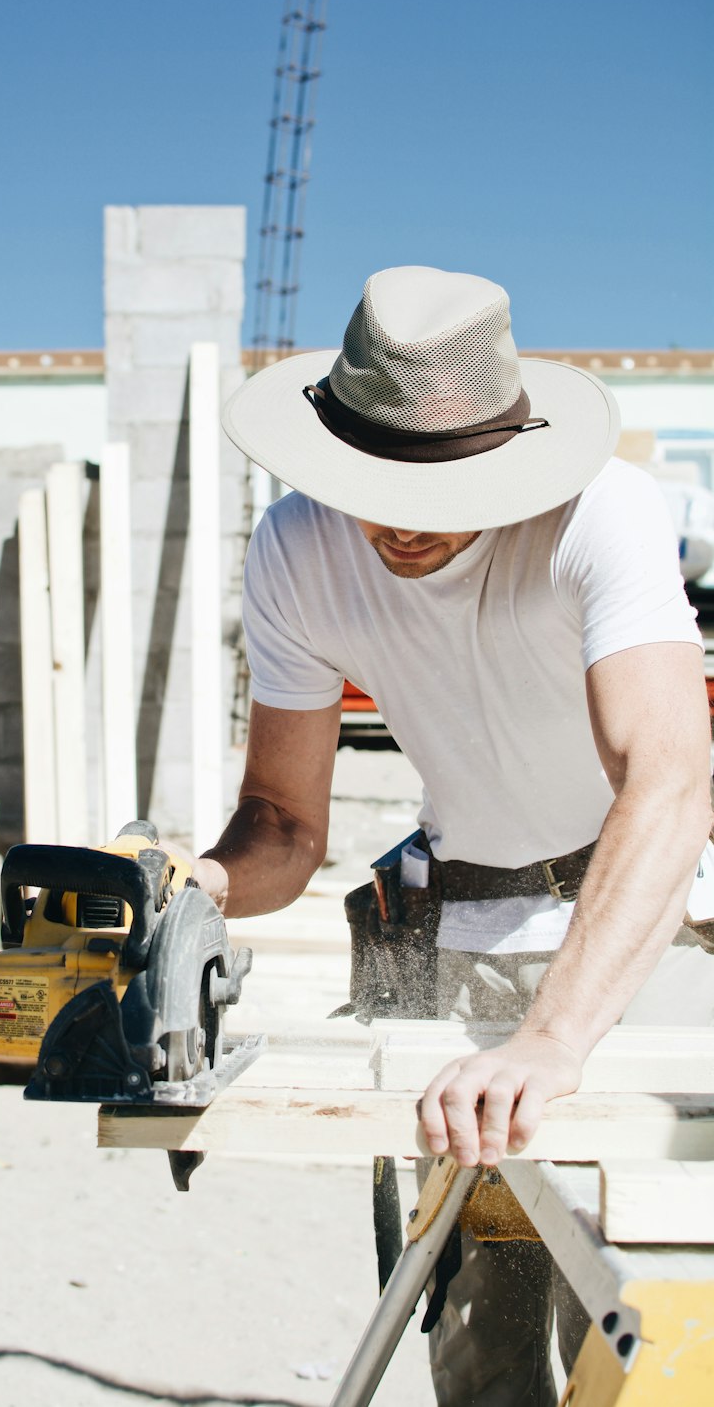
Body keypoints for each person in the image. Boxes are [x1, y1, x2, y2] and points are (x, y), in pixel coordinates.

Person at [189, 265, 714, 1407]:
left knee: (634, 1329)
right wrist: (185, 889)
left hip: (642, 934)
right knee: (477, 1335)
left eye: (434, 491)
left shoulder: (601, 513)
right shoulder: (293, 551)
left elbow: (669, 788)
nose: (395, 523)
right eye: (368, 482)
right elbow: (280, 825)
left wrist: (553, 1040)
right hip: (456, 926)